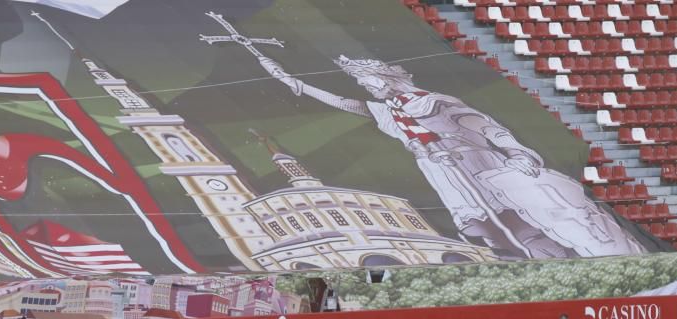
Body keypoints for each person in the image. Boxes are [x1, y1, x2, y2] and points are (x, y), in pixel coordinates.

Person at [259, 55, 648, 260]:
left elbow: (482, 125)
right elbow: (348, 104)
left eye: (367, 80)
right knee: (486, 226)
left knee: (522, 214)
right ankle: (534, 258)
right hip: (439, 168)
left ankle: (573, 253)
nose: (365, 87)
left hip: (475, 161)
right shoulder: (387, 110)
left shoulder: (433, 101)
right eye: (362, 84)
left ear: (385, 78)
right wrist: (296, 85)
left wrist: (513, 149)